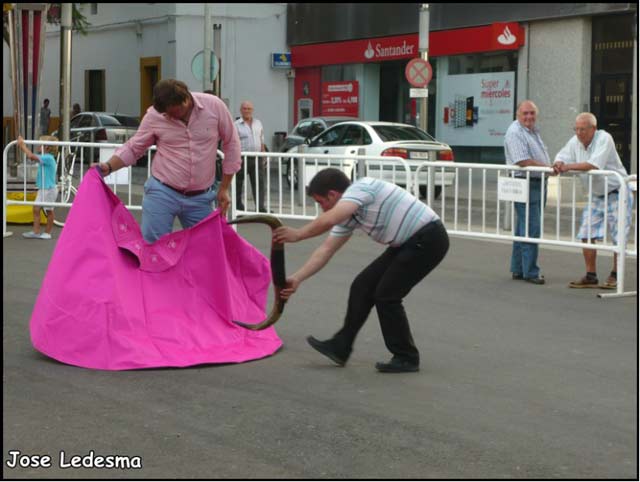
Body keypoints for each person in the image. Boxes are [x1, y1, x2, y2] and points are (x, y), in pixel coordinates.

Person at [273, 168, 450, 373]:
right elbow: (326, 249)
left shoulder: (362, 188)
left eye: (321, 202)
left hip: (429, 239)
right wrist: (297, 279)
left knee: (386, 295)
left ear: (333, 194)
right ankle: (341, 346)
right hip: (407, 243)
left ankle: (406, 357)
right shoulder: (349, 214)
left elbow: (329, 219)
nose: (323, 209)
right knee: (362, 286)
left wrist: (298, 234)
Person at [96, 79, 241, 243]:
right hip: (162, 192)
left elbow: (232, 144)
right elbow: (134, 147)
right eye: (166, 114)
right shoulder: (155, 115)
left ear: (186, 100)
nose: (170, 117)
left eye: (174, 113)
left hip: (200, 197)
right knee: (153, 249)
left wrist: (224, 188)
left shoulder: (214, 106)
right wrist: (109, 166)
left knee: (206, 249)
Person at [553, 112, 633, 289]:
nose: (579, 133)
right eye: (577, 129)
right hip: (597, 194)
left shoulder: (605, 138)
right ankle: (591, 276)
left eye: (583, 129)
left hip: (617, 191)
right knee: (586, 233)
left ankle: (615, 275)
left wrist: (567, 167)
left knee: (618, 236)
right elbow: (562, 155)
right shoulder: (575, 141)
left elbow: (594, 164)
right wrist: (558, 162)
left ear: (593, 129)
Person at [503, 100, 551, 285]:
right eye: (525, 113)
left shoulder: (531, 130)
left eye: (532, 113)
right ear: (518, 114)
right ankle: (530, 272)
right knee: (531, 227)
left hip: (537, 182)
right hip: (526, 182)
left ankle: (518, 268)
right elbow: (522, 160)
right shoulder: (515, 132)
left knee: (524, 227)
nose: (529, 116)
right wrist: (548, 167)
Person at [17, 135, 58, 240]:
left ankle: (47, 233)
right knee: (36, 209)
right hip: (44, 188)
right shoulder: (46, 157)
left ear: (47, 147)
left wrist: (22, 146)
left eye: (41, 144)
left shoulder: (48, 158)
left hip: (48, 189)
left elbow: (31, 156)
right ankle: (36, 231)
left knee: (48, 210)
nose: (39, 146)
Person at [234, 101, 268, 212]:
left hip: (257, 158)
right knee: (238, 183)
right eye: (244, 108)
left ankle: (260, 207)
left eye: (249, 109)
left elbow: (261, 140)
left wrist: (263, 155)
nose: (247, 111)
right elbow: (234, 142)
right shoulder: (236, 125)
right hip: (242, 158)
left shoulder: (258, 123)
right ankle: (238, 207)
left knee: (259, 183)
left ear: (252, 110)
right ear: (241, 110)